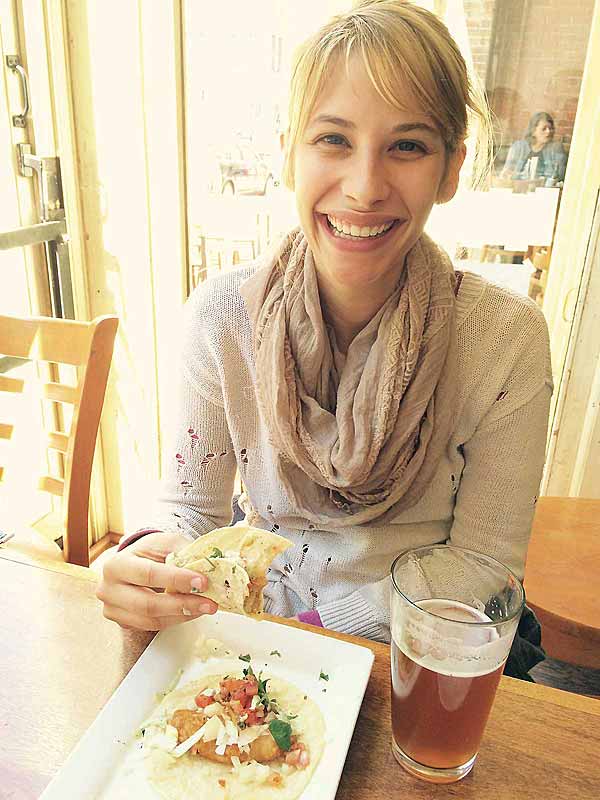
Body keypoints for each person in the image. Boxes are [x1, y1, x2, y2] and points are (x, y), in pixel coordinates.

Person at [97, 1, 552, 661]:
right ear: (289, 154)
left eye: (407, 146)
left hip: (423, 649)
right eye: (333, 139)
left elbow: (483, 559)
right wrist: (147, 561)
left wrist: (315, 631)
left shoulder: (504, 339)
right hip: (254, 637)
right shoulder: (220, 318)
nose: (365, 187)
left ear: (451, 168)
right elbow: (191, 514)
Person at [501, 111, 567, 184]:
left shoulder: (556, 149)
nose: (548, 131)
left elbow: (558, 176)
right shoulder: (518, 147)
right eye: (544, 129)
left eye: (551, 128)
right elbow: (507, 173)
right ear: (533, 131)